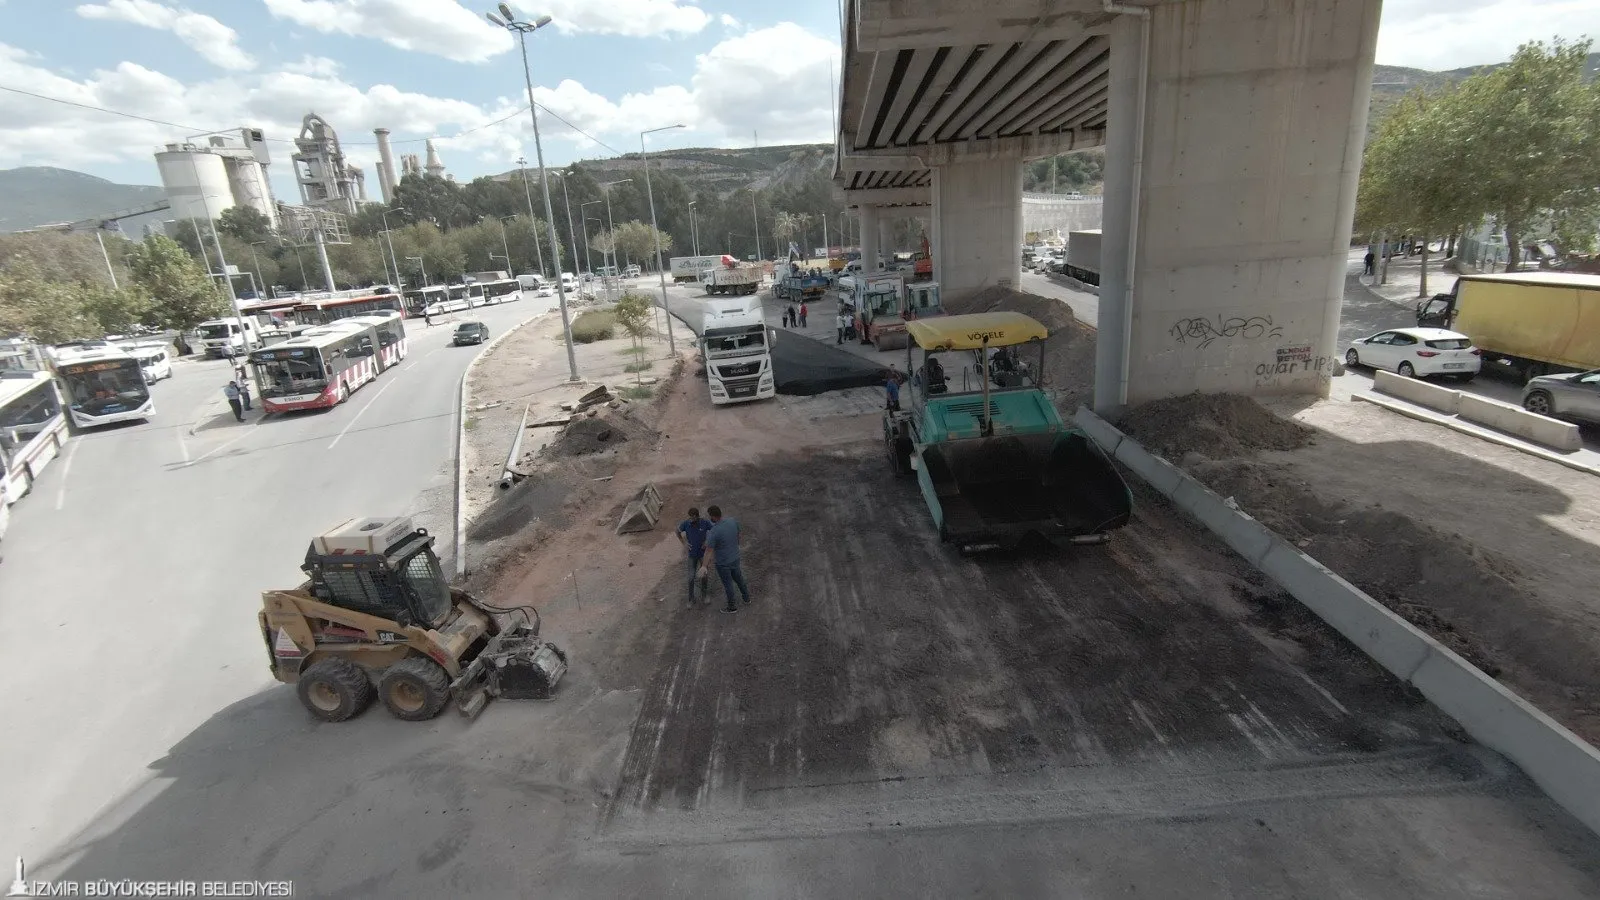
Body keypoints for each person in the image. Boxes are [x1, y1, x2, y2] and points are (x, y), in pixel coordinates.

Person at [700, 505, 750, 614]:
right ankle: (747, 598)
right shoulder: (732, 521)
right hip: (735, 558)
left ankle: (732, 607)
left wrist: (704, 566)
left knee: (728, 585)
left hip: (723, 563)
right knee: (739, 579)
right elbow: (738, 535)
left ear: (712, 516)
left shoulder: (714, 531)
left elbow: (708, 551)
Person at [676, 508, 714, 605]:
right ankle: (691, 598)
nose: (690, 520)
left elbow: (714, 530)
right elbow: (677, 531)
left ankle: (704, 595)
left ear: (697, 516)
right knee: (691, 577)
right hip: (692, 555)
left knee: (704, 575)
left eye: (692, 518)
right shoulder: (686, 524)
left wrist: (707, 541)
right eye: (689, 517)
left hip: (703, 554)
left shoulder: (704, 523)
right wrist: (684, 543)